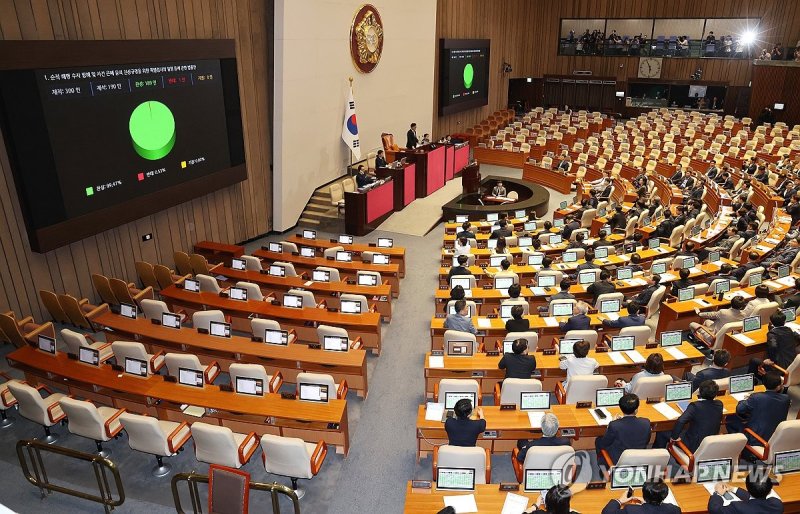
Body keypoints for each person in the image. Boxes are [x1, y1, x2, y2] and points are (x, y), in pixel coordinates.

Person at [726, 371, 790, 449]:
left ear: (763, 383)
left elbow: (740, 409)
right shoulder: (786, 399)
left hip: (756, 438)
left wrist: (744, 400)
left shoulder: (756, 398)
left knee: (730, 419)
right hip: (776, 435)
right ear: (778, 386)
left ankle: (739, 447)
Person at [661, 379, 723, 452]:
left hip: (693, 444)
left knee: (662, 432)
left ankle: (660, 455)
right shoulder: (719, 404)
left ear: (699, 392)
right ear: (716, 394)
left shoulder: (695, 406)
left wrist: (674, 437)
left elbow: (681, 421)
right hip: (711, 441)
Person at [595, 393, 652, 465]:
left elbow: (604, 443)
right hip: (639, 458)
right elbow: (647, 441)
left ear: (621, 408)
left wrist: (610, 425)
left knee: (599, 441)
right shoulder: (646, 422)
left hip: (619, 461)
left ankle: (604, 466)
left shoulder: (614, 425)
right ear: (636, 409)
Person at [708, 472, 783, 514]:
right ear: (769, 490)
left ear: (747, 487)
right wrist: (733, 489)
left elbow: (715, 510)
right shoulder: (777, 505)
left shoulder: (738, 507)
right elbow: (754, 501)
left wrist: (717, 493)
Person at [601, 478, 680, 514]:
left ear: (643, 493)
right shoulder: (675, 510)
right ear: (665, 495)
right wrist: (647, 503)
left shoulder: (630, 510)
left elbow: (606, 512)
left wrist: (620, 500)